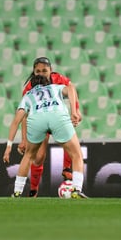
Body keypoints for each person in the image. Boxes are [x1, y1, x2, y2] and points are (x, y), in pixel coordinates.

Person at [3, 75, 87, 198]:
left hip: (37, 119)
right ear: (47, 82)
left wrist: (9, 146)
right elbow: (70, 88)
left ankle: (17, 192)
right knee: (76, 154)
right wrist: (74, 111)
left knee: (29, 155)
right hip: (57, 116)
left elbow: (16, 121)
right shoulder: (54, 87)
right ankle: (76, 190)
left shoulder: (28, 96)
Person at [18, 57, 82, 197]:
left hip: (58, 117)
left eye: (44, 70)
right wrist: (24, 139)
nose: (41, 73)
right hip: (40, 120)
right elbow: (24, 115)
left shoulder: (58, 78)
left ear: (50, 71)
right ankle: (34, 189)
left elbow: (72, 90)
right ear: (34, 72)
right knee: (39, 157)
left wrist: (75, 111)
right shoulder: (29, 87)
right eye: (38, 71)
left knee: (70, 139)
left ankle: (67, 170)